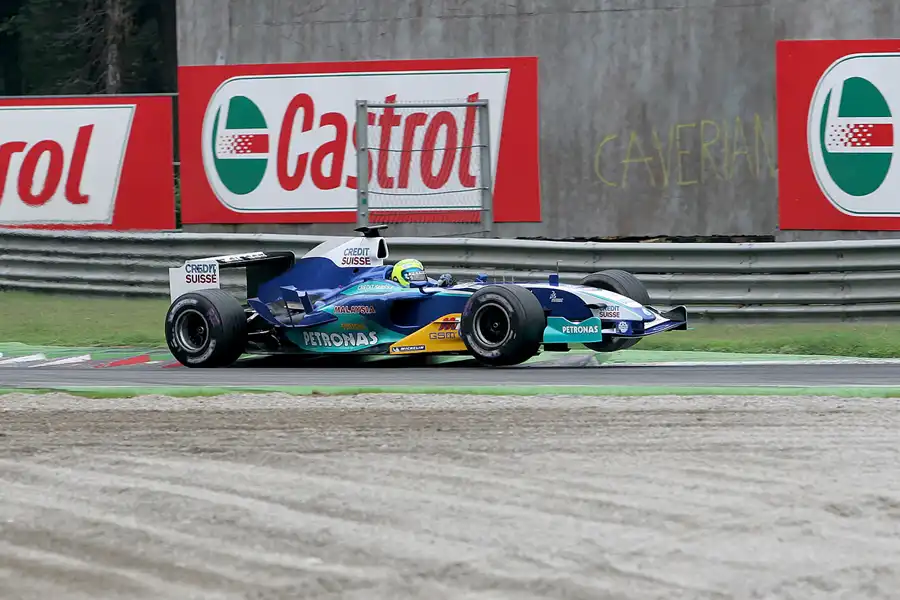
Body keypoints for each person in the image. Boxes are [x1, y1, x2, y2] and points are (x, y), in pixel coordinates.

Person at [390, 258, 455, 288]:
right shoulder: (390, 286)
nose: (417, 278)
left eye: (419, 274)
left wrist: (445, 283)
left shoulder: (428, 283)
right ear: (396, 278)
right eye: (410, 276)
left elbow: (437, 285)